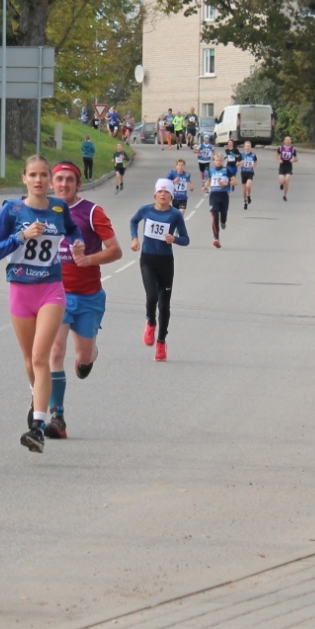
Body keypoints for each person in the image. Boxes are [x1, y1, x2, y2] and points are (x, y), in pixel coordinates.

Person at [0, 156, 85, 451]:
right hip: (20, 290)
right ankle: (37, 397)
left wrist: (78, 242)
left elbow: (72, 230)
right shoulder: (12, 210)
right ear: (24, 179)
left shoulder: (59, 208)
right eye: (34, 175)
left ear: (50, 180)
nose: (40, 180)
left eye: (44, 174)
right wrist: (21, 236)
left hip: (51, 290)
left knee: (42, 356)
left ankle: (37, 427)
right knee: (30, 360)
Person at [48, 161, 122, 434]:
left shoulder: (92, 213)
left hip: (88, 295)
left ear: (78, 184)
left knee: (84, 355)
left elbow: (116, 251)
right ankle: (58, 417)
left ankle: (90, 355)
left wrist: (89, 259)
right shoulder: (41, 211)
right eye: (59, 179)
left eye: (69, 179)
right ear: (51, 183)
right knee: (55, 350)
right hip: (55, 294)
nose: (64, 184)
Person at [129, 178, 189, 361]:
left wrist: (175, 239)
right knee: (152, 297)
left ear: (171, 196)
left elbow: (186, 239)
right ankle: (150, 322)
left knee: (164, 305)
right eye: (160, 192)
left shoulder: (175, 215)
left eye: (167, 192)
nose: (163, 195)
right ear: (155, 194)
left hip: (166, 262)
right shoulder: (145, 209)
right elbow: (134, 221)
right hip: (148, 260)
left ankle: (161, 343)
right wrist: (134, 239)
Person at [204, 150, 237, 247]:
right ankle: (216, 237)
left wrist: (226, 183)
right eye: (216, 160)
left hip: (224, 195)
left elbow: (235, 182)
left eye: (220, 160)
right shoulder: (211, 171)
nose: (218, 162)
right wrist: (205, 186)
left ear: (222, 161)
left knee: (223, 215)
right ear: (214, 161)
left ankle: (223, 220)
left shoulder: (227, 170)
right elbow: (209, 180)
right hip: (214, 195)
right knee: (214, 216)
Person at [278, 135, 298, 200]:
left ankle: (284, 195)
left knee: (287, 180)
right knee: (282, 181)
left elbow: (296, 158)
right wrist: (279, 159)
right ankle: (281, 184)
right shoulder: (280, 148)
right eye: (286, 140)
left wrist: (293, 160)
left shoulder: (293, 149)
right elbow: (277, 155)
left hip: (289, 165)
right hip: (282, 165)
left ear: (291, 141)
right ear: (284, 141)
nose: (288, 141)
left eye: (289, 140)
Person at [239, 141, 258, 210]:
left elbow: (256, 162)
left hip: (250, 172)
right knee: (244, 189)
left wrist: (253, 165)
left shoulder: (253, 155)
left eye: (248, 146)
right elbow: (237, 163)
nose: (247, 147)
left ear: (251, 147)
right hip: (243, 172)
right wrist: (240, 162)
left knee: (248, 185)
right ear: (244, 147)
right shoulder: (241, 155)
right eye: (246, 146)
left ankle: (249, 195)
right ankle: (245, 202)